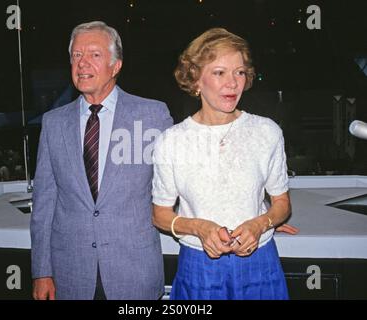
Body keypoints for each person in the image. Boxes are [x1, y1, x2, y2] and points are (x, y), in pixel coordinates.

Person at [30, 21, 173, 300]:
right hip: (70, 276)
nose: (82, 64)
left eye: (94, 55)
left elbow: (181, 183)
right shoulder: (53, 123)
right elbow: (45, 204)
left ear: (116, 65)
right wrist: (41, 271)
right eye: (76, 55)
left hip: (134, 274)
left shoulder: (153, 116)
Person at [152, 28, 298, 300]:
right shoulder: (171, 142)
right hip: (198, 267)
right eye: (220, 72)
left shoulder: (267, 132)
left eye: (240, 72)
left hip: (260, 264)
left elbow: (282, 204)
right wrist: (199, 228)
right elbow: (160, 214)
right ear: (195, 79)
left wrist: (260, 224)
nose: (233, 83)